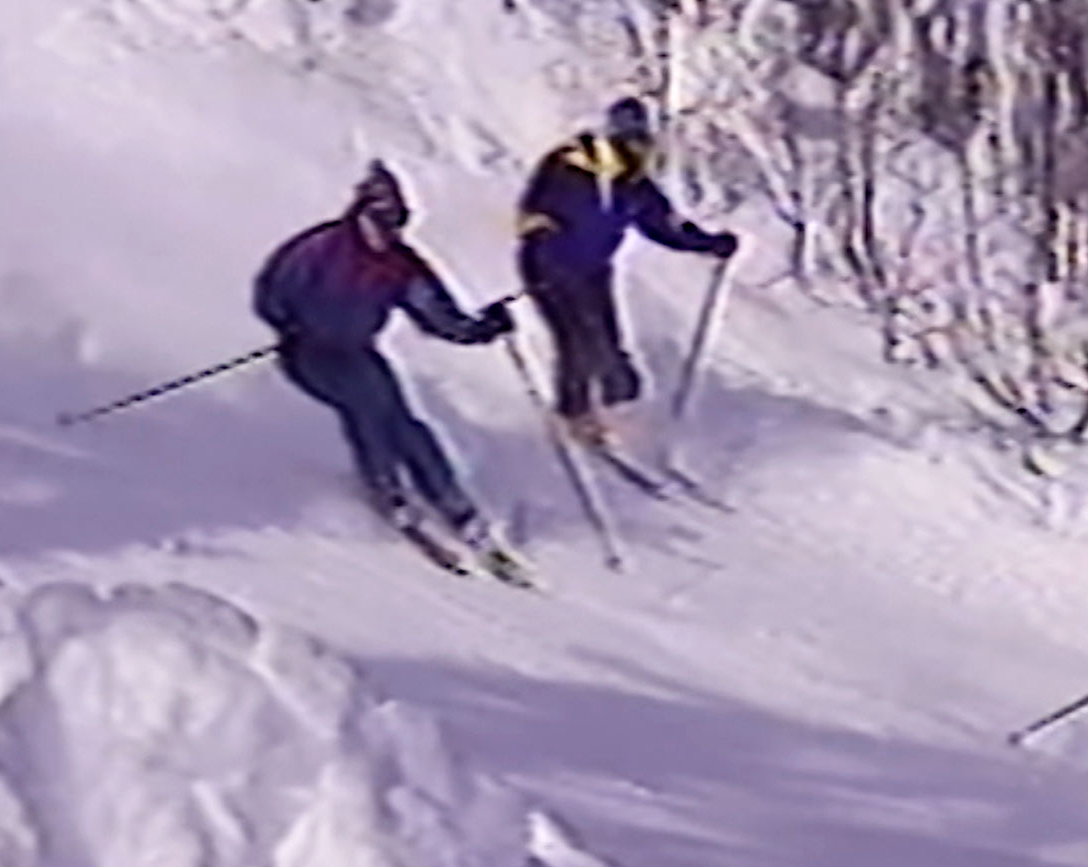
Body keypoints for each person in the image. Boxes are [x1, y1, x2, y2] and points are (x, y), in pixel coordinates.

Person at [253, 160, 526, 579]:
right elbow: (272, 291)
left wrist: (482, 328)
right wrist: (287, 325)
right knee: (368, 406)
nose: (388, 233)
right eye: (381, 221)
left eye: (397, 223)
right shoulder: (321, 250)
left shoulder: (401, 266)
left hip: (358, 350)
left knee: (406, 422)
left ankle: (454, 505)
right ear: (361, 213)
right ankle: (388, 490)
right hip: (309, 353)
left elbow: (438, 317)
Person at [515, 96, 739, 447]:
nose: (640, 152)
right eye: (632, 143)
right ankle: (575, 417)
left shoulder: (634, 187)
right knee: (578, 343)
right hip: (549, 268)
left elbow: (665, 227)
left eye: (643, 143)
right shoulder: (568, 166)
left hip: (593, 270)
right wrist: (542, 235)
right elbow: (533, 210)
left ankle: (624, 413)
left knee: (609, 345)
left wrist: (710, 244)